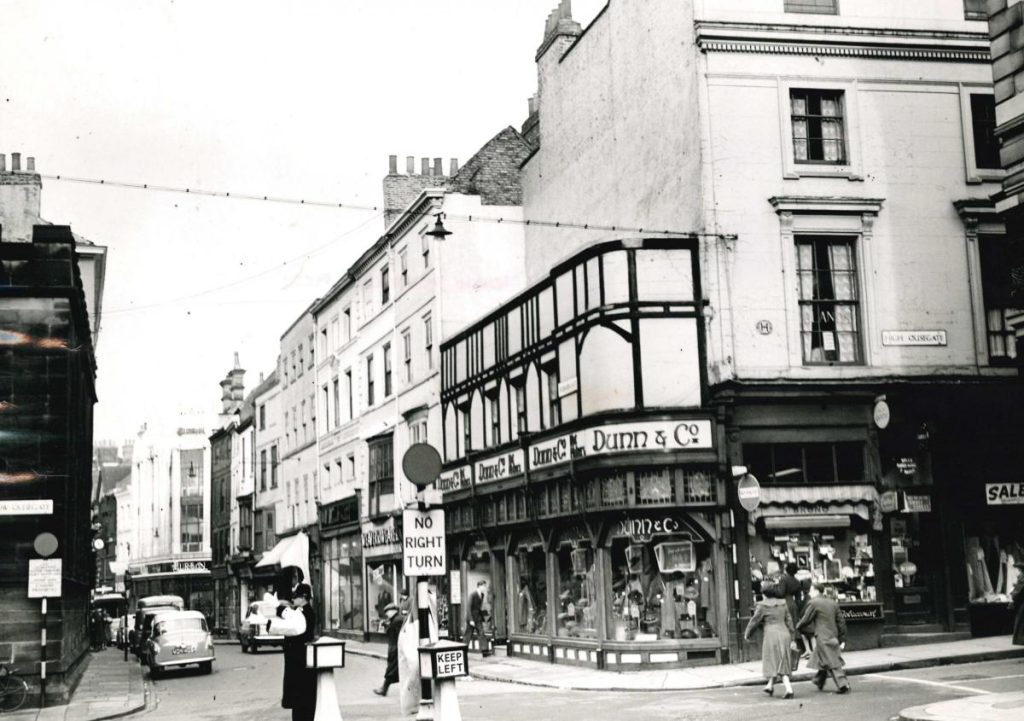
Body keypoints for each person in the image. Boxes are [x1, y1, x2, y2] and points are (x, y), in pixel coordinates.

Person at [269, 584, 317, 721]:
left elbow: (292, 625)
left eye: (296, 596)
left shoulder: (306, 613)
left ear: (304, 598)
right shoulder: (301, 611)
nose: (293, 599)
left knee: (301, 699)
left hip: (300, 662)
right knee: (298, 700)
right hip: (297, 661)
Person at [744, 580, 797, 699]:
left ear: (763, 593)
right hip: (784, 633)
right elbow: (789, 621)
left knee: (774, 660)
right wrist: (792, 637)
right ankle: (770, 686)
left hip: (771, 635)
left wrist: (747, 634)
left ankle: (788, 688)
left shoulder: (762, 605)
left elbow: (754, 621)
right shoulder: (783, 603)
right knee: (780, 659)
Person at [796, 582, 850, 694]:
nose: (809, 593)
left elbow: (806, 619)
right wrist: (842, 638)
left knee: (831, 660)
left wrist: (797, 627)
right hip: (832, 635)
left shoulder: (814, 603)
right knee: (823, 658)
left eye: (811, 590)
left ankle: (843, 684)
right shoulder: (832, 603)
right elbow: (841, 621)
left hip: (822, 636)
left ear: (816, 591)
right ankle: (819, 680)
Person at [780, 563, 808, 663]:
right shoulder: (796, 581)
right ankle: (794, 648)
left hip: (785, 603)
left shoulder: (784, 579)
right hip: (793, 605)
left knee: (785, 626)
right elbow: (799, 598)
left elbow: (781, 593)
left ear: (786, 569)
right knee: (794, 627)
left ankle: (787, 651)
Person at [373, 603, 403, 696]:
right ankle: (384, 689)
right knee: (398, 670)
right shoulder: (395, 619)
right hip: (395, 648)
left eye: (388, 612)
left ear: (393, 611)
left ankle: (384, 689)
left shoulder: (397, 620)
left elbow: (398, 635)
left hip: (396, 649)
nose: (387, 614)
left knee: (392, 670)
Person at [466, 579, 491, 657]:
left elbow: (478, 607)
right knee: (468, 635)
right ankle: (463, 650)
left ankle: (485, 651)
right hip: (472, 619)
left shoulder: (482, 595)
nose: (485, 587)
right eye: (484, 586)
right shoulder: (472, 594)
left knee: (481, 633)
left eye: (485, 586)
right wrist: (470, 619)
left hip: (478, 618)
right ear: (479, 586)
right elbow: (468, 607)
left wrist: (483, 614)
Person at [1010, 557, 1024, 646]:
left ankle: (1020, 639)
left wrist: (1013, 596)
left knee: (1021, 620)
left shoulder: (1022, 577)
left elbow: (1019, 590)